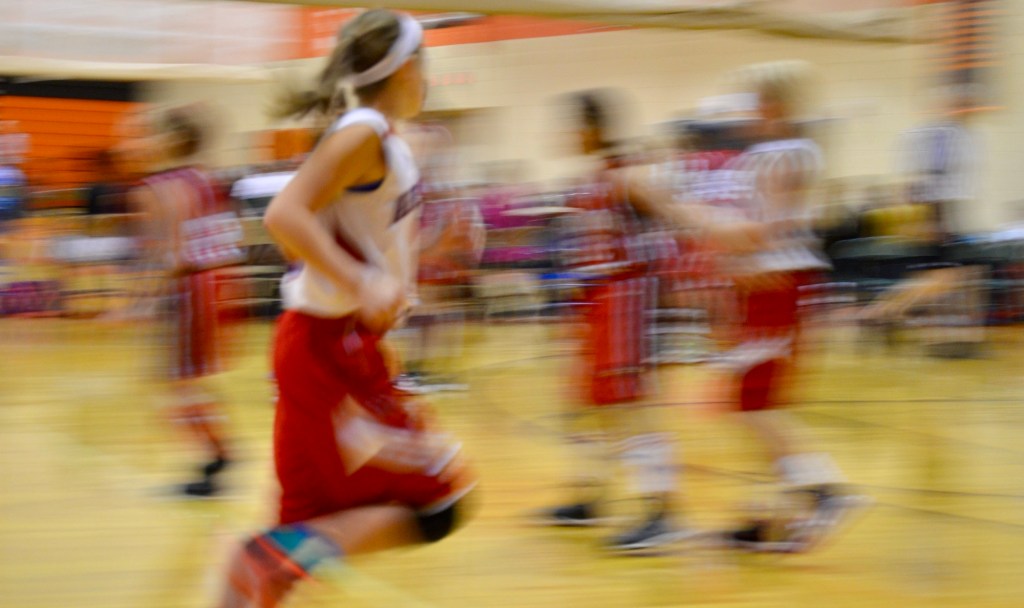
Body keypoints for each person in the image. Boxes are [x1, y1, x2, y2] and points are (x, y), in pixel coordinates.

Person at [217, 10, 475, 607]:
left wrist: (431, 250)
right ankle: (259, 562)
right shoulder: (364, 133)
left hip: (322, 345)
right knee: (438, 503)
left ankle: (255, 571)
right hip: (331, 349)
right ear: (408, 69)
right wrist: (361, 282)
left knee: (302, 527)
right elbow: (284, 216)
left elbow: (354, 237)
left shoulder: (377, 137)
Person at [538, 90, 684, 554]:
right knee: (588, 403)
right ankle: (591, 497)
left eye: (571, 125)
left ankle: (662, 514)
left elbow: (676, 219)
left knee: (629, 406)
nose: (565, 134)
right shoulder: (592, 179)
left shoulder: (627, 176)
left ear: (592, 128)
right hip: (593, 299)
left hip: (623, 296)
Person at [131, 107, 240, 497]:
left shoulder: (159, 186)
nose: (141, 143)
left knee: (178, 384)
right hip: (217, 281)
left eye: (148, 135)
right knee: (185, 381)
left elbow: (169, 252)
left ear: (172, 140)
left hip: (190, 284)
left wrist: (144, 299)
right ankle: (216, 456)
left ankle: (217, 457)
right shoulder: (206, 177)